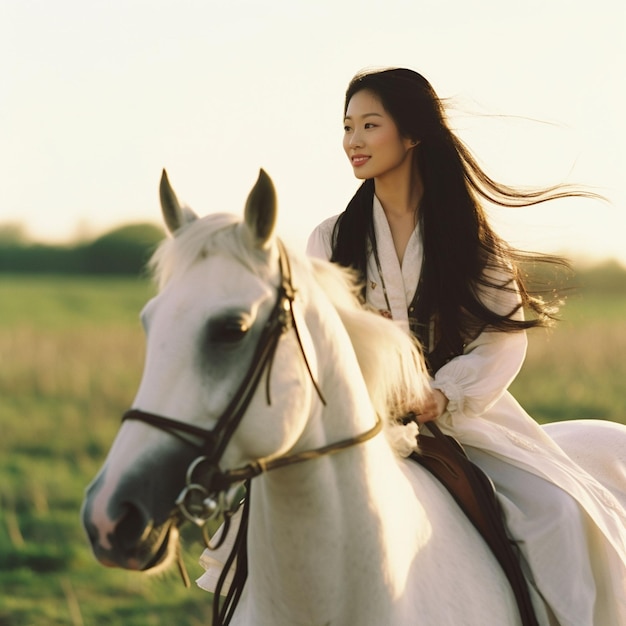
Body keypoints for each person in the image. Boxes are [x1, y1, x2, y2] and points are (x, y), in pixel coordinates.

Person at [306, 67, 626, 626]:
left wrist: (443, 394)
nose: (352, 141)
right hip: (360, 425)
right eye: (347, 126)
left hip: (460, 420)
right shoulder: (331, 239)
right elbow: (319, 341)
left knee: (553, 511)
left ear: (411, 135)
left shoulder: (468, 239)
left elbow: (502, 339)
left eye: (369, 125)